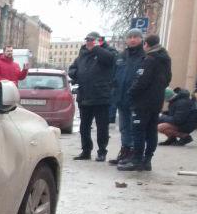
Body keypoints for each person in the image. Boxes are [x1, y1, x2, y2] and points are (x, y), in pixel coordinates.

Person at [119, 34, 172, 172]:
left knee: (138, 131)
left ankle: (137, 160)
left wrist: (131, 93)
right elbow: (167, 79)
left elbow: (141, 81)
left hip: (142, 102)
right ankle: (147, 160)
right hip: (156, 101)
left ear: (146, 45)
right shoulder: (165, 59)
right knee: (151, 131)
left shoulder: (150, 59)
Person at [68, 31, 116, 161]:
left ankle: (102, 151)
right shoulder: (82, 54)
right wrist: (77, 74)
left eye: (92, 40)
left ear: (98, 41)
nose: (88, 43)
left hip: (101, 96)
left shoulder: (106, 51)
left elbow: (110, 60)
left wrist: (96, 49)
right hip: (84, 95)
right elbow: (72, 69)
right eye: (87, 40)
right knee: (84, 126)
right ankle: (86, 150)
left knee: (102, 126)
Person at [109, 28, 146, 166]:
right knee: (124, 128)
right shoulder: (121, 56)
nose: (132, 39)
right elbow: (114, 75)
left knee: (134, 128)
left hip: (136, 99)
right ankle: (125, 151)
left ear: (141, 39)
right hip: (121, 98)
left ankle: (134, 154)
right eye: (130, 37)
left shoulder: (144, 56)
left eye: (136, 37)